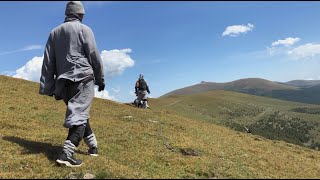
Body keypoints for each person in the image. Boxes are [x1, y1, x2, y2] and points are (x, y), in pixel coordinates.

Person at [39, 1, 105, 167]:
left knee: (80, 113)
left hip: (63, 82)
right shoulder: (84, 29)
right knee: (79, 114)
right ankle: (66, 154)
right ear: (80, 13)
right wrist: (100, 79)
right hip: (83, 78)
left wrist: (48, 86)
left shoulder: (54, 33)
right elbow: (94, 56)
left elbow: (48, 61)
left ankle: (93, 146)